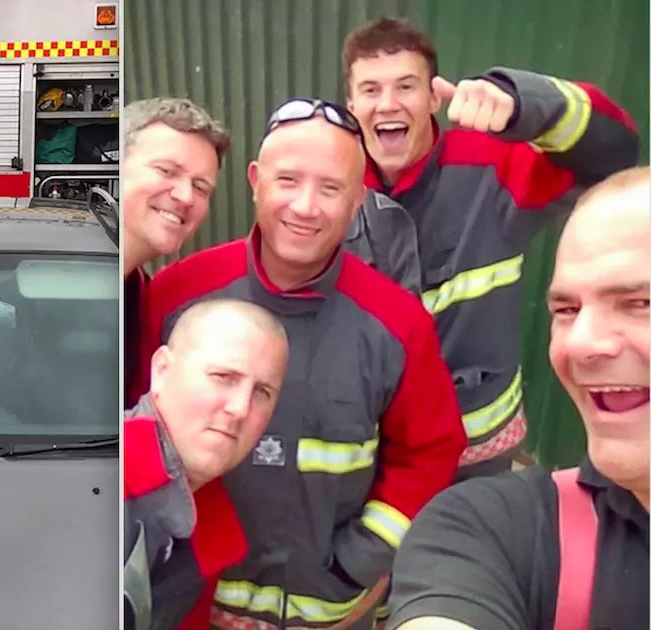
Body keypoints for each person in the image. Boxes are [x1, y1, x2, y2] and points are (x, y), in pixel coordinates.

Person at [137, 99, 466, 629]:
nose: (305, 206)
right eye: (287, 180)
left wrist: (359, 562)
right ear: (255, 181)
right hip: (194, 608)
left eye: (331, 188)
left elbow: (430, 452)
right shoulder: (177, 294)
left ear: (359, 199)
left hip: (332, 611)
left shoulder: (396, 321)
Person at [342, 17, 641, 479]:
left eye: (406, 86)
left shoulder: (490, 166)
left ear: (433, 98)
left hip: (477, 454)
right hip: (377, 452)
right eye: (370, 89)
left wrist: (527, 104)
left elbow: (613, 152)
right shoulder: (331, 190)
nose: (388, 104)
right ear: (351, 103)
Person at [385, 166, 650, 630]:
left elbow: (597, 144)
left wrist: (520, 100)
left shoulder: (487, 174)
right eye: (566, 310)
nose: (581, 343)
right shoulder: (496, 531)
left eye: (640, 303)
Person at [124, 298, 290, 630]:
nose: (240, 408)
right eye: (223, 376)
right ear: (161, 371)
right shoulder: (87, 488)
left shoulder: (210, 530)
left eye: (262, 392)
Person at [120, 97, 230, 408]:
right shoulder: (41, 284)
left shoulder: (140, 295)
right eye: (167, 171)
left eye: (201, 187)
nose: (184, 196)